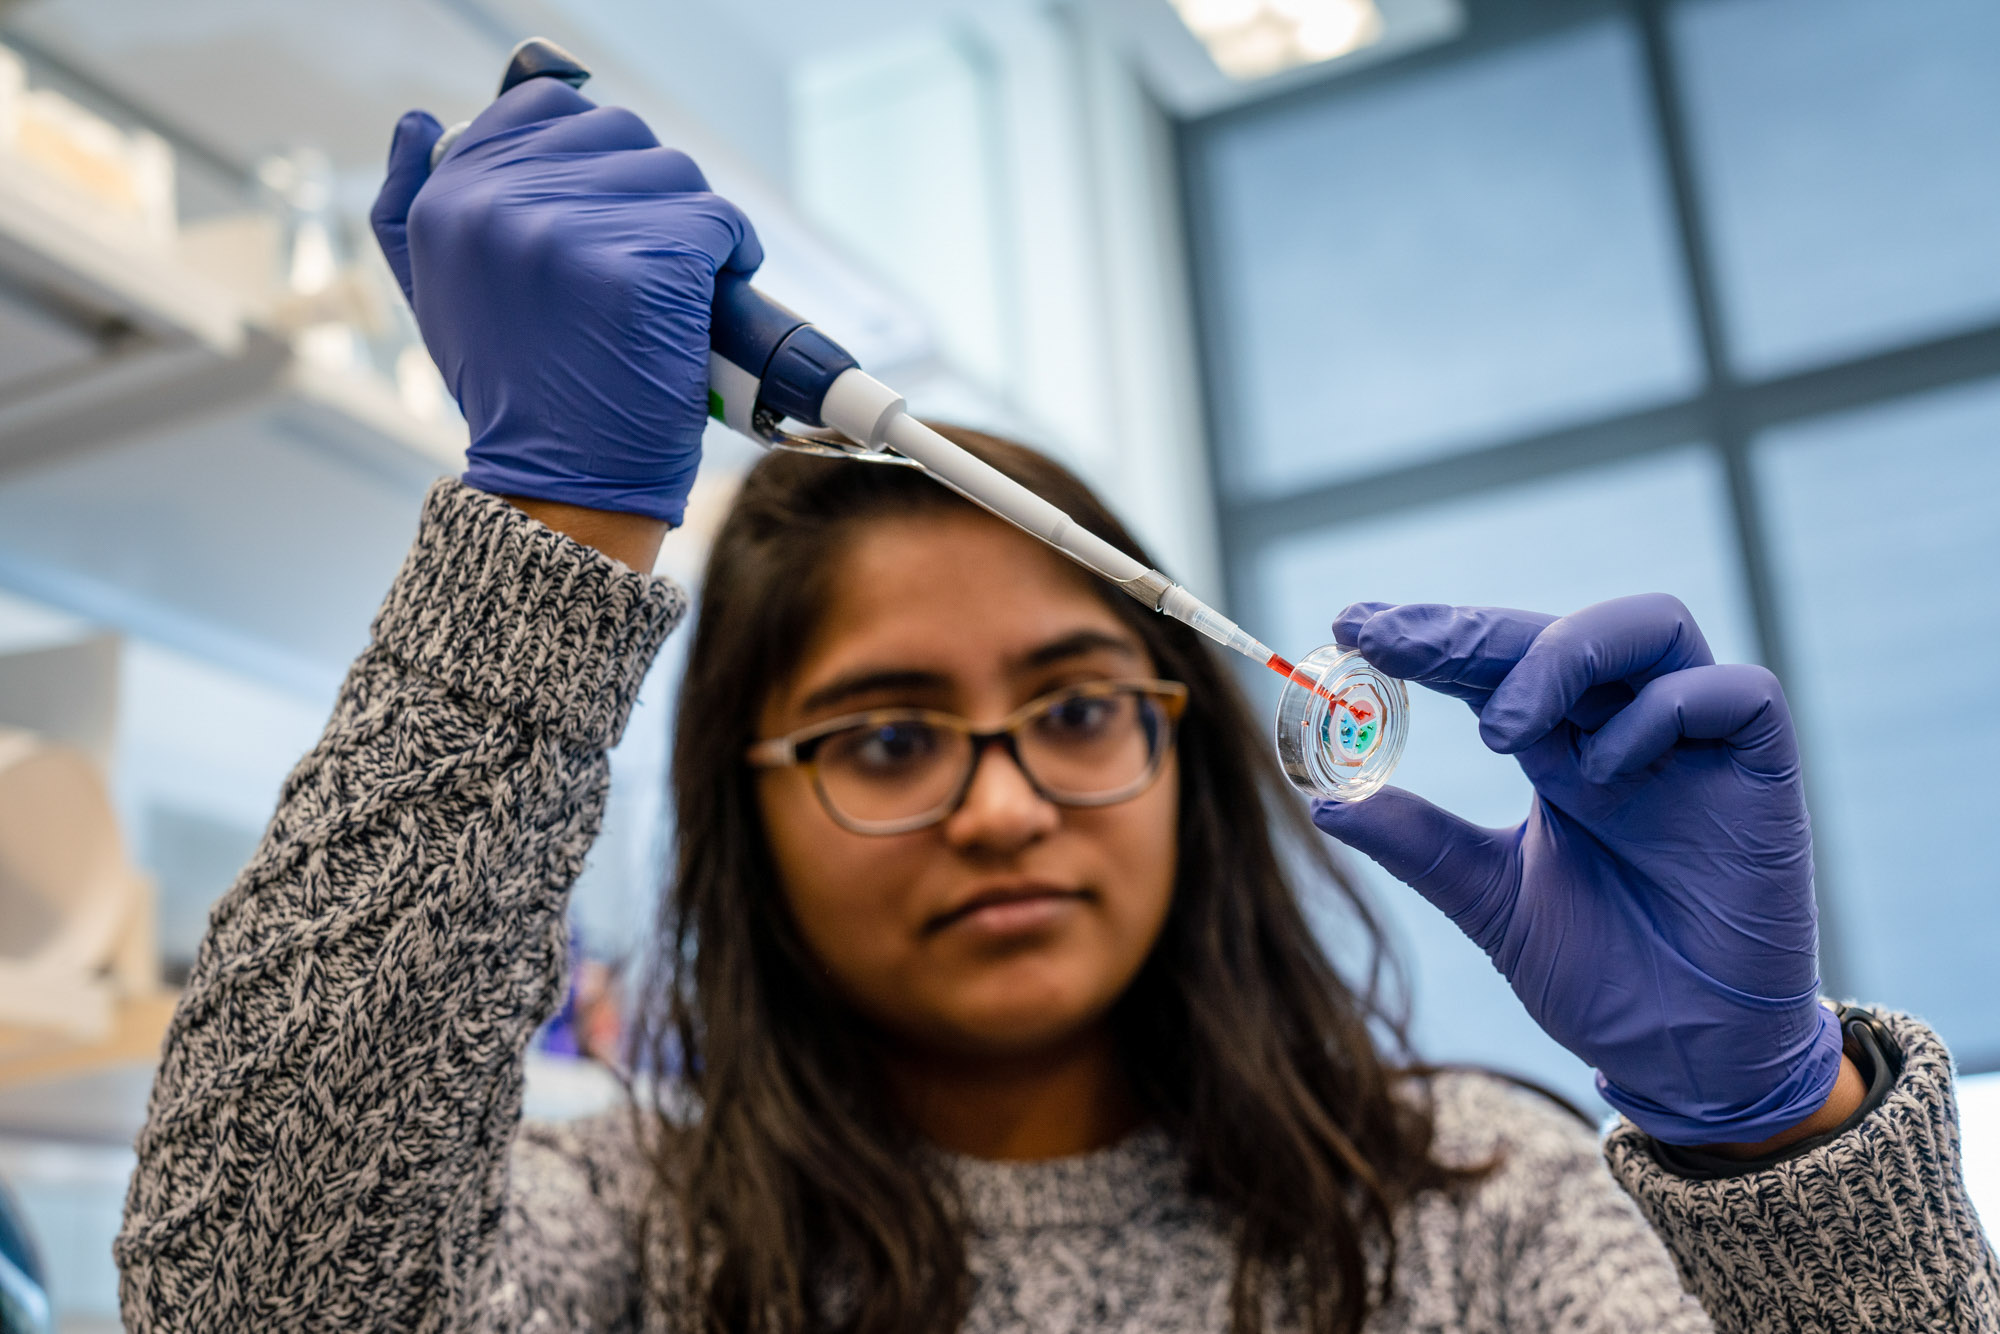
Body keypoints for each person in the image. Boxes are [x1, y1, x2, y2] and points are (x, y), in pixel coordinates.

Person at [113, 77, 1995, 1334]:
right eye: (885, 736)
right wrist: (548, 526)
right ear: (742, 803)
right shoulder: (633, 1230)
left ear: (1190, 740)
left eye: (1078, 709)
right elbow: (248, 1294)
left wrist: (1773, 1131)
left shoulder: (1472, 1211)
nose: (1003, 807)